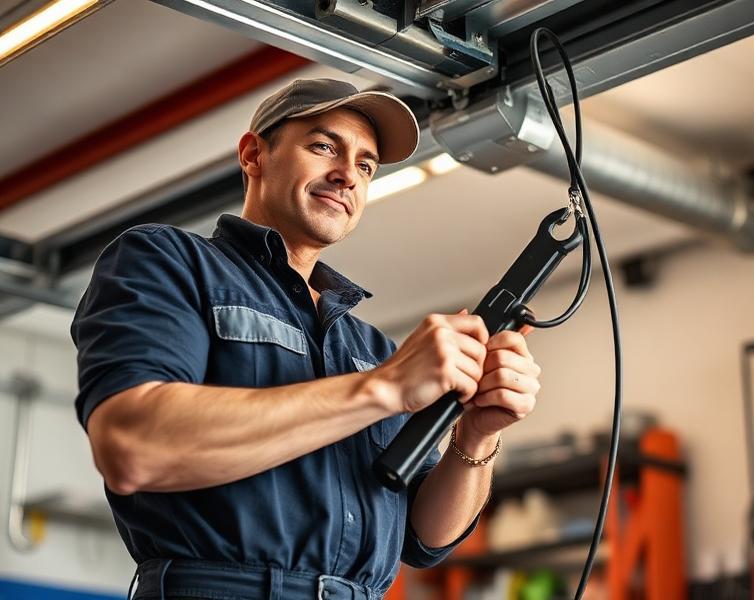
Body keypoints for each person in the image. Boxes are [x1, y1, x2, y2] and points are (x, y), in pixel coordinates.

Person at [71, 78, 541, 600]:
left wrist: (475, 436)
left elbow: (425, 538)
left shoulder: (371, 347)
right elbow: (134, 446)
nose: (347, 176)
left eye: (366, 165)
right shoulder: (169, 262)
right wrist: (383, 388)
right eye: (324, 147)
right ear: (253, 155)